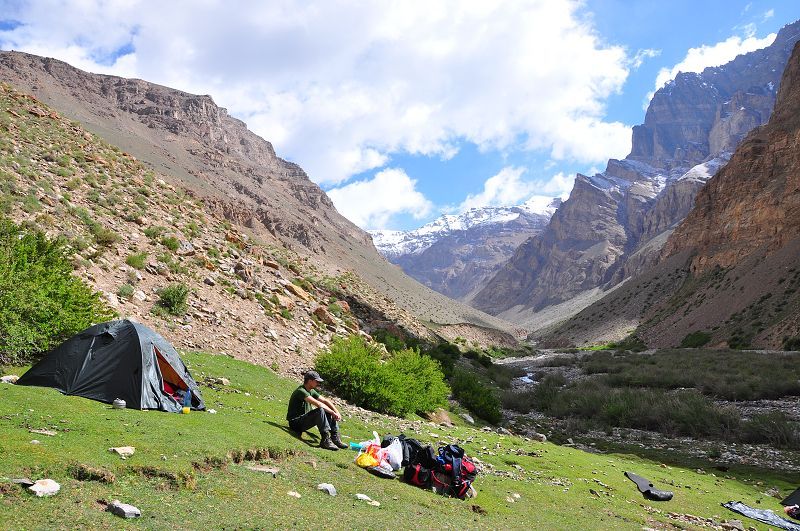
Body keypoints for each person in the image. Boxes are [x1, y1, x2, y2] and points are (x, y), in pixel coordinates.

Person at [286, 371, 347, 451]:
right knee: (321, 410)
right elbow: (319, 404)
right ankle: (325, 440)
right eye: (316, 381)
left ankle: (335, 438)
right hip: (295, 423)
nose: (318, 383)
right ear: (310, 381)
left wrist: (336, 412)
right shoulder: (301, 391)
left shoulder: (311, 391)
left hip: (303, 420)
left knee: (327, 410)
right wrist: (332, 412)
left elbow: (325, 401)